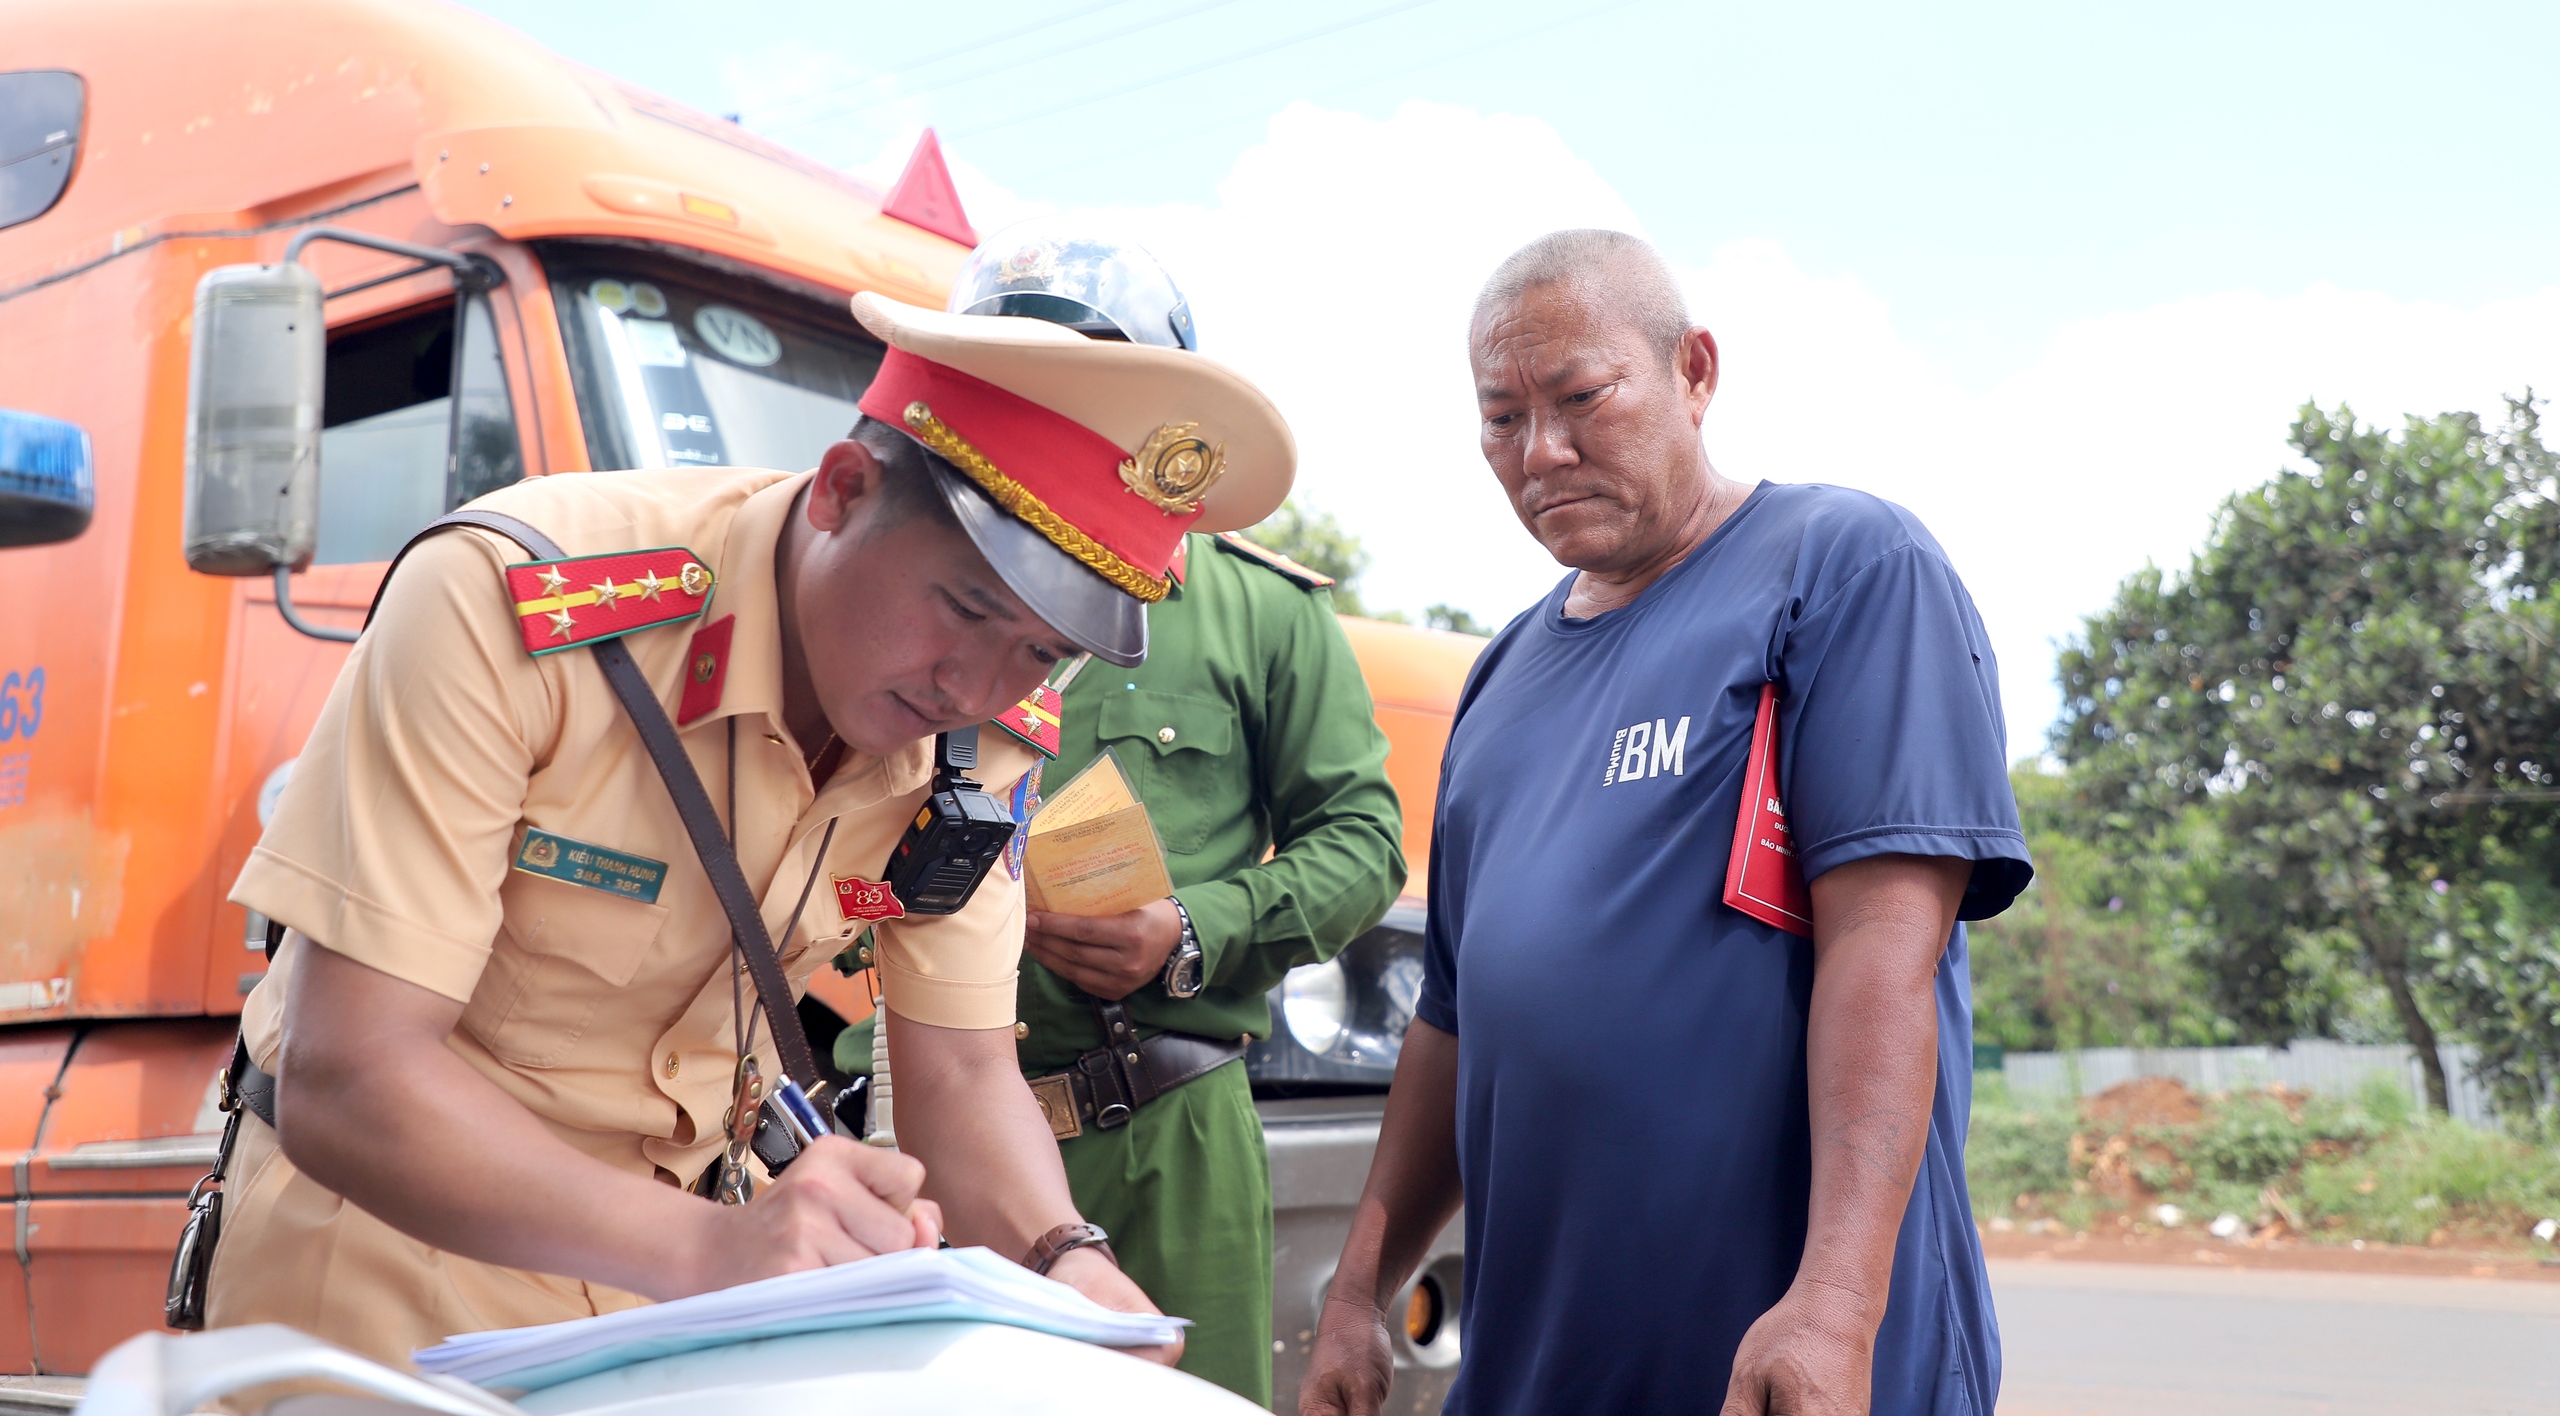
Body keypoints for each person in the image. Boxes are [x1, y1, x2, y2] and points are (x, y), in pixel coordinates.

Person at [201, 290, 1294, 1366]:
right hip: (385, 1288)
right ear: (841, 489)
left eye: (1041, 652)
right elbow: (353, 1080)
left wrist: (1066, 1263)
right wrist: (717, 1248)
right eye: (964, 608)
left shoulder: (990, 728)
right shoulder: (514, 599)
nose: (976, 685)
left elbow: (958, 1077)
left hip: (680, 1307)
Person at [1301, 230, 2033, 1416]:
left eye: (1581, 397)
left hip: (1777, 1362)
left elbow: (1883, 953)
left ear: (1694, 372)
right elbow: (1448, 1023)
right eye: (1499, 419)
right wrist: (1356, 1290)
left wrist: (1837, 1306)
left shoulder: (1842, 570)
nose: (1541, 451)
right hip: (1541, 1366)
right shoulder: (1499, 682)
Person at [842, 224, 1407, 1407]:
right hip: (904, 1106)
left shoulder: (1260, 613)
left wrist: (1190, 928)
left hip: (1161, 1129)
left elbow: (1362, 845)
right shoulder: (880, 567)